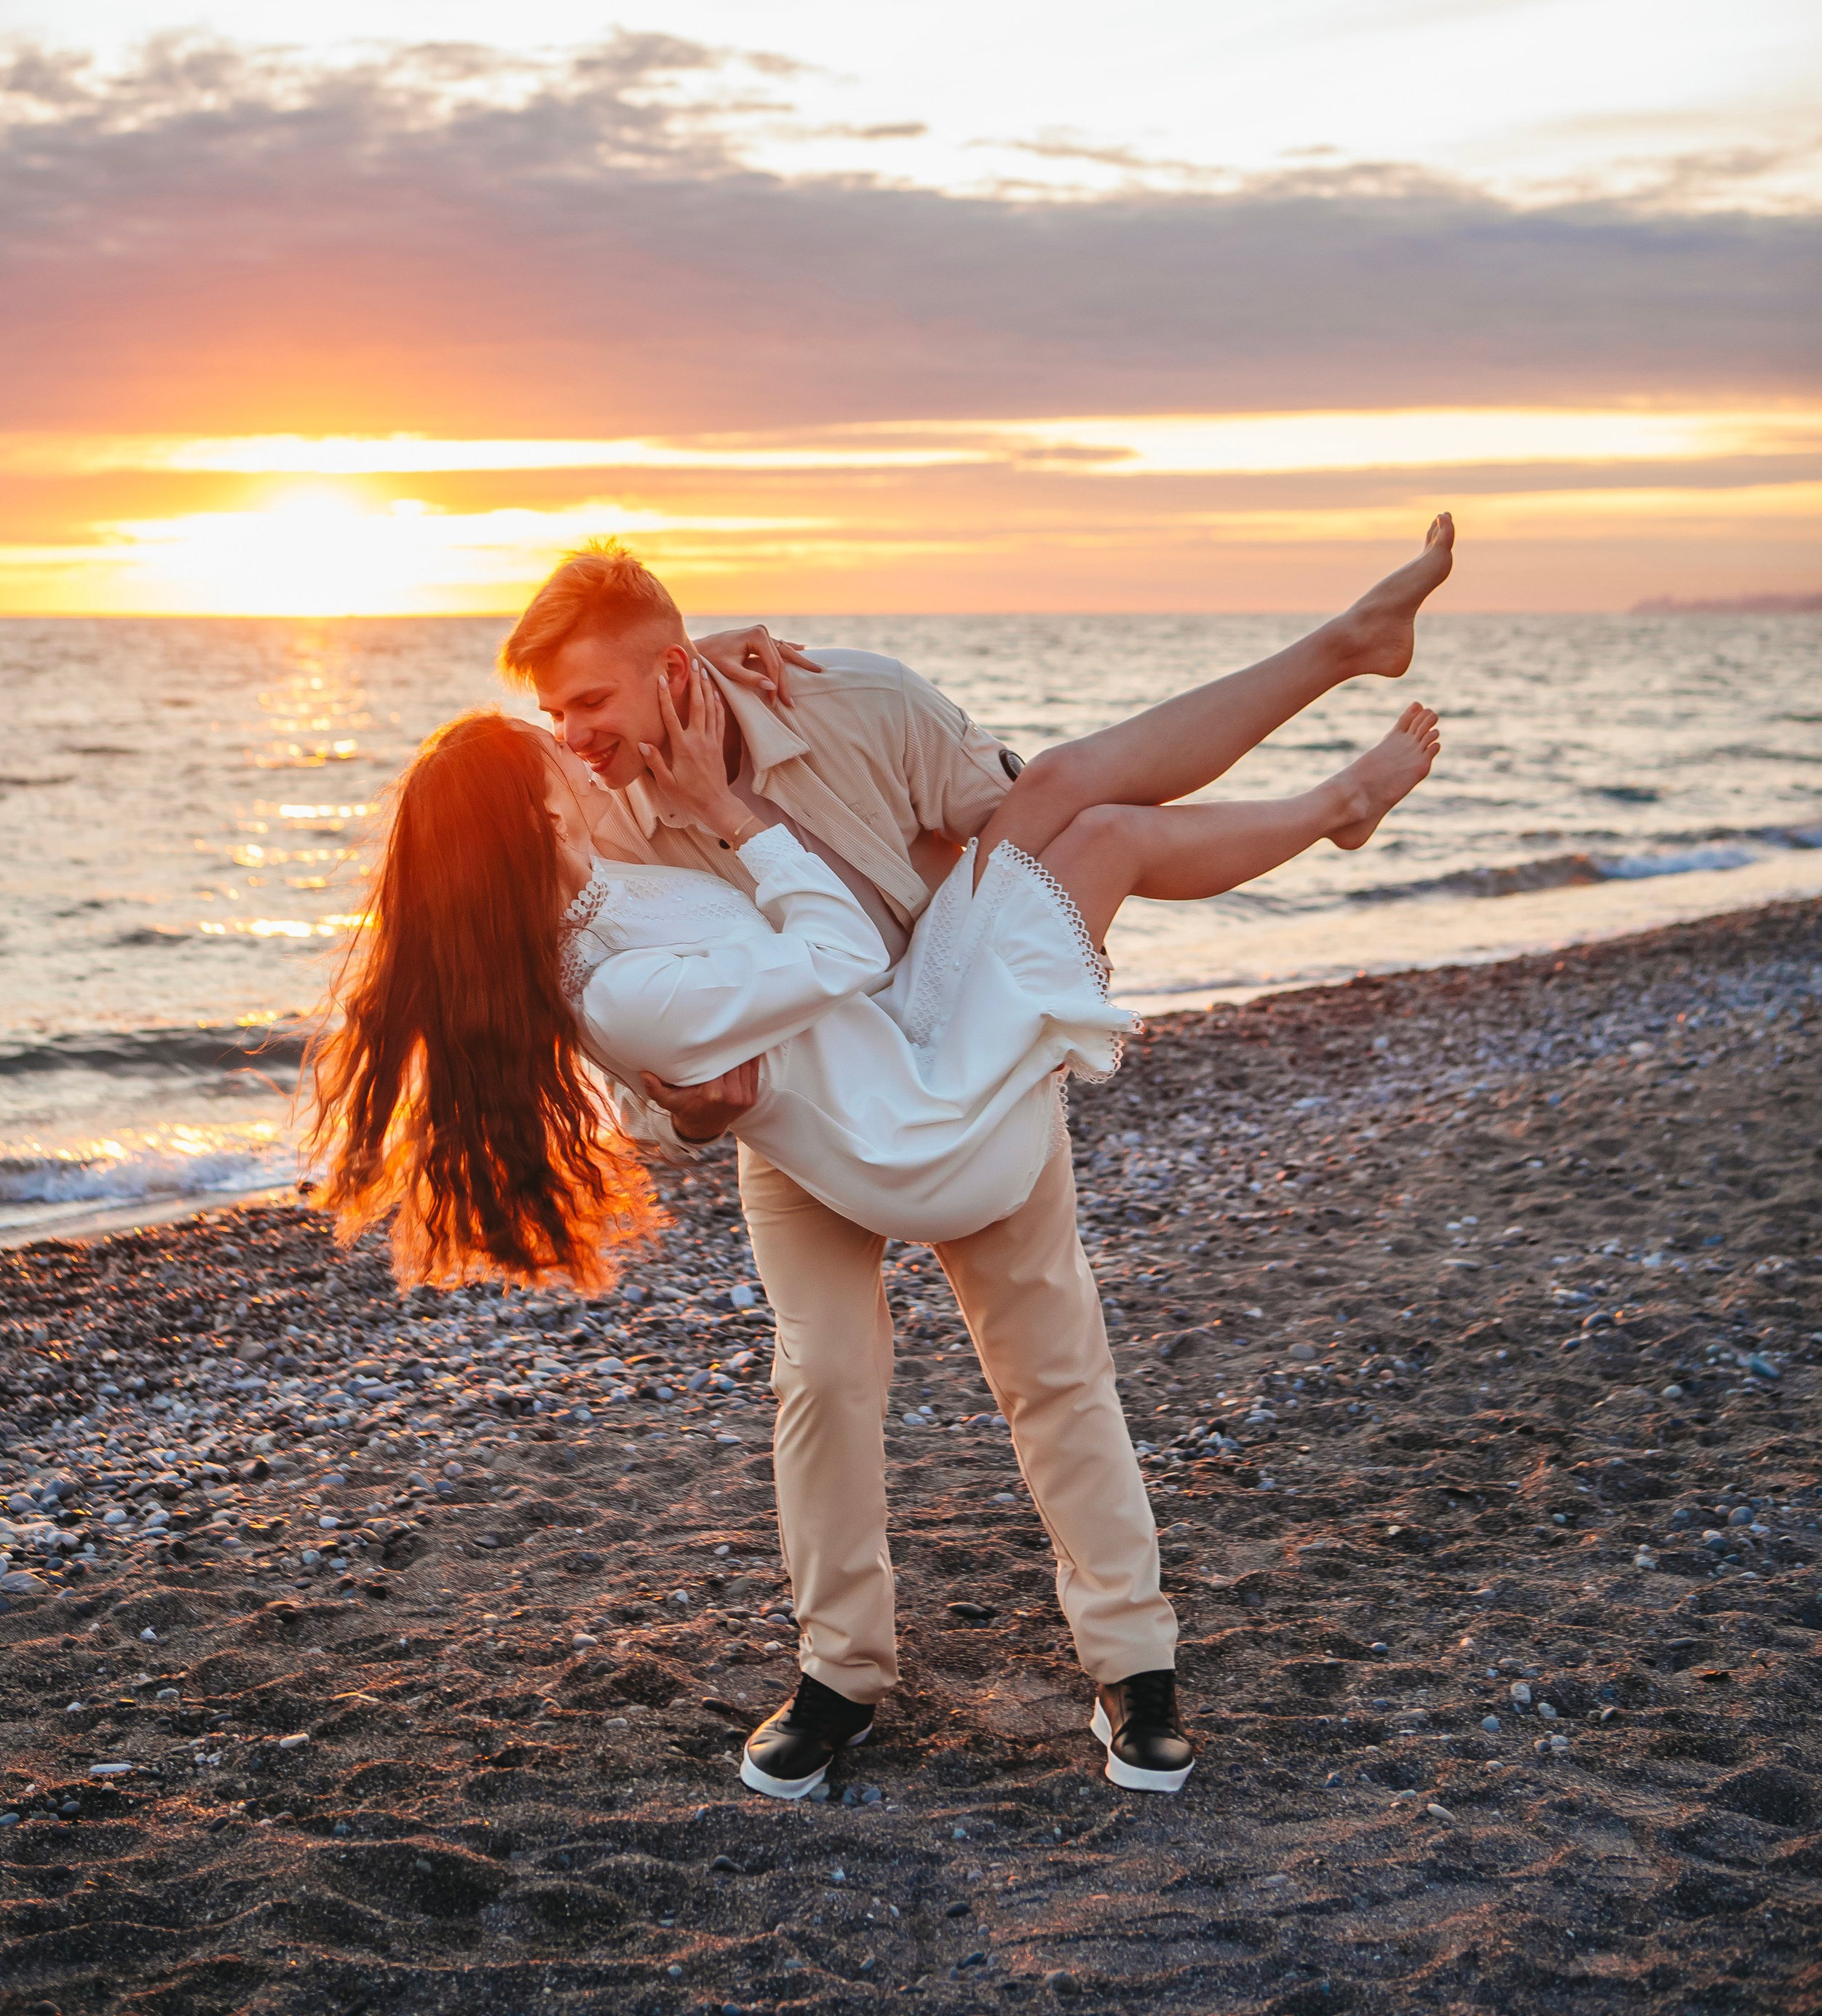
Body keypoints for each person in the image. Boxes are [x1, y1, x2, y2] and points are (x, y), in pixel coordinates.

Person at [309, 520, 1453, 1799]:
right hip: (803, 1116)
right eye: (553, 713)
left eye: (586, 704)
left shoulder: (855, 701)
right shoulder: (586, 796)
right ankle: (841, 1674)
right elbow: (580, 983)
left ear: (676, 671)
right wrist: (682, 1113)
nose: (571, 736)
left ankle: (1134, 1668)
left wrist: (740, 789)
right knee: (824, 1381)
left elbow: (1007, 839)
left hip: (948, 1046)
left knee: (1054, 1362)